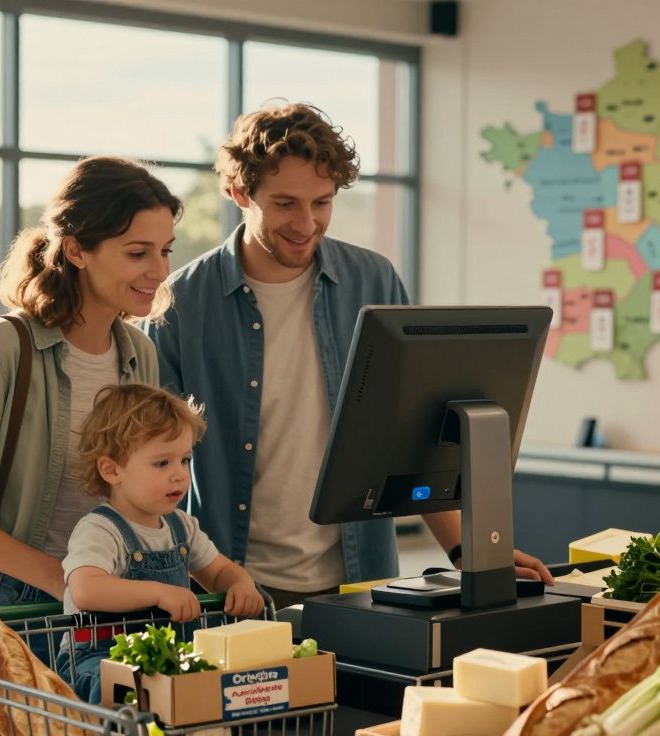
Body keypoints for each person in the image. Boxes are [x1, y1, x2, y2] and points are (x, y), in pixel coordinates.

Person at [146, 103, 554, 610]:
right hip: (229, 588)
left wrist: (466, 548)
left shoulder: (374, 282)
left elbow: (416, 436)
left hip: (360, 585)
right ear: (238, 193)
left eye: (322, 202)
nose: (306, 223)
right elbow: (151, 462)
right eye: (285, 203)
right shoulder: (180, 304)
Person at [0, 156, 180, 724]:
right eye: (138, 252)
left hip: (109, 607)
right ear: (77, 249)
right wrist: (58, 577)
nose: (158, 270)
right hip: (9, 612)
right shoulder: (0, 350)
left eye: (165, 250)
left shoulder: (140, 355)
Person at [56, 383, 263, 702]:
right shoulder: (100, 529)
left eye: (185, 460)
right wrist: (159, 592)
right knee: (128, 689)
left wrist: (241, 585)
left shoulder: (181, 526)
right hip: (98, 660)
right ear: (112, 470)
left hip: (167, 660)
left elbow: (219, 571)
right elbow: (85, 589)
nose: (180, 475)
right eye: (162, 463)